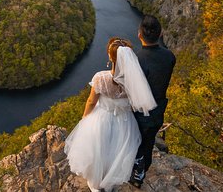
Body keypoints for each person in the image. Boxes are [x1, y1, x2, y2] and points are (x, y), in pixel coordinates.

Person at [65, 38, 157, 192]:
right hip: (125, 122)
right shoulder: (134, 82)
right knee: (116, 153)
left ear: (110, 57)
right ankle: (110, 184)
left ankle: (96, 184)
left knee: (99, 151)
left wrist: (84, 119)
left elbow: (91, 102)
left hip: (102, 119)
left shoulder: (100, 78)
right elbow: (137, 103)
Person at [129, 15, 176, 188]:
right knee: (148, 142)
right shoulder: (170, 57)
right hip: (158, 109)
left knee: (135, 143)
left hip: (139, 111)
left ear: (139, 34)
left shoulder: (136, 60)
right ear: (161, 33)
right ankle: (141, 172)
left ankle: (135, 174)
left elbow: (132, 90)